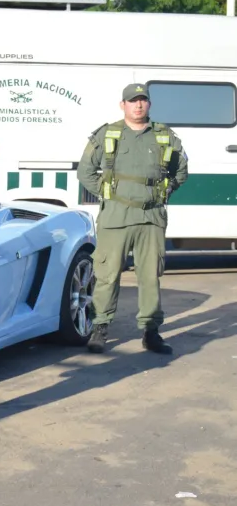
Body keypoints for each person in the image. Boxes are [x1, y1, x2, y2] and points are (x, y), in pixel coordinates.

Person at [76, 83, 189, 355]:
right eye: (132, 101)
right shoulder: (107, 135)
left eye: (142, 100)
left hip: (150, 217)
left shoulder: (165, 136)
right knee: (106, 275)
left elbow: (181, 171)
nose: (138, 105)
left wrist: (163, 191)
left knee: (150, 276)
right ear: (123, 105)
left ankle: (151, 332)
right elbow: (85, 171)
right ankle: (100, 327)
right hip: (115, 217)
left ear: (149, 104)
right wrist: (109, 194)